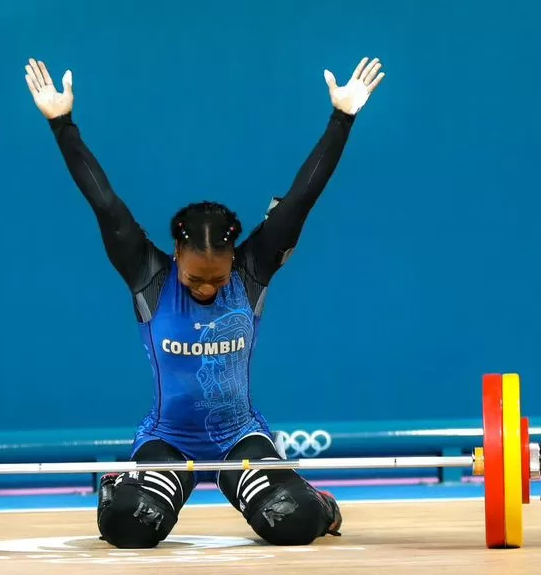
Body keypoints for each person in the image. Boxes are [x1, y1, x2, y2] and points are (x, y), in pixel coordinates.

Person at [23, 55, 385, 549]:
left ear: (235, 258)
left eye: (217, 279)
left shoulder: (253, 270)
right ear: (176, 255)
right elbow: (105, 203)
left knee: (293, 522)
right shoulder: (148, 276)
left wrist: (342, 118)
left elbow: (301, 198)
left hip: (238, 439)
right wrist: (61, 123)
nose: (207, 288)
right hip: (168, 440)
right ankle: (123, 489)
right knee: (127, 526)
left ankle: (317, 502)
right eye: (196, 279)